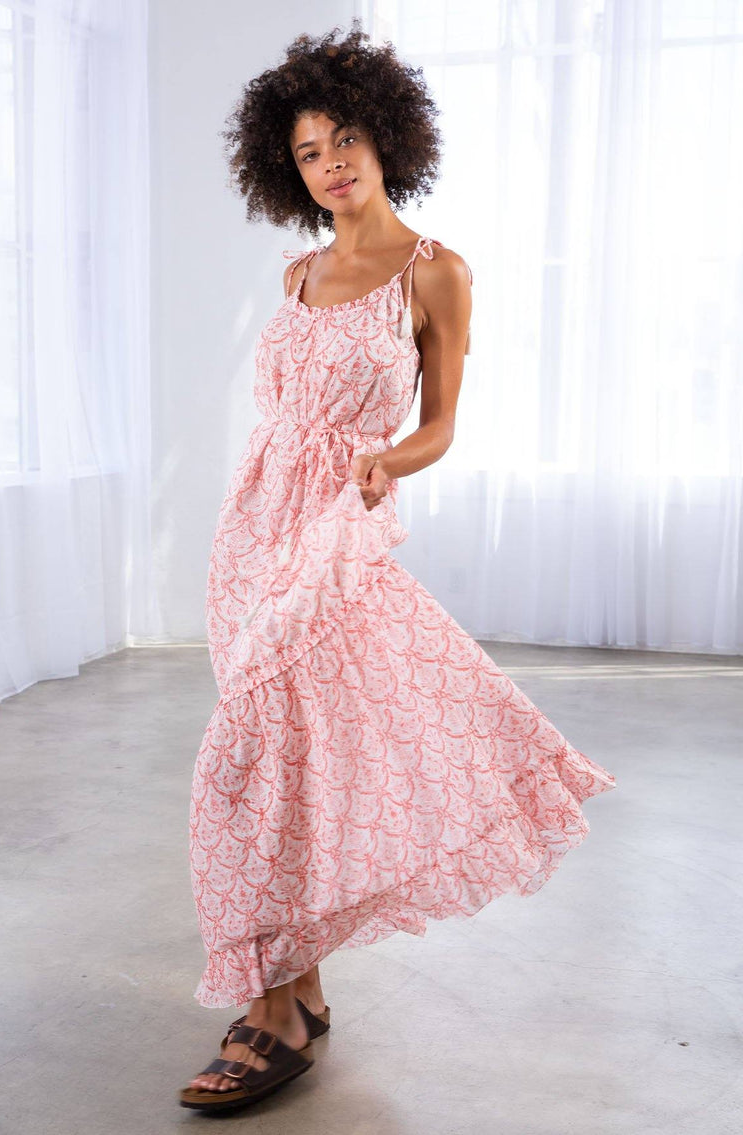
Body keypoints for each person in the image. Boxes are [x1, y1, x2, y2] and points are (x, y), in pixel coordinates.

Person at [179, 21, 616, 1115]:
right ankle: (300, 991)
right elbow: (276, 421)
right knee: (293, 760)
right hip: (253, 530)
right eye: (306, 153)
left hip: (340, 524)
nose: (329, 164)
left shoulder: (436, 273)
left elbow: (440, 426)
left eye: (342, 139)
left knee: (244, 759)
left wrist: (383, 464)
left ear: (383, 137)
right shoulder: (297, 272)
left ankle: (273, 1009)